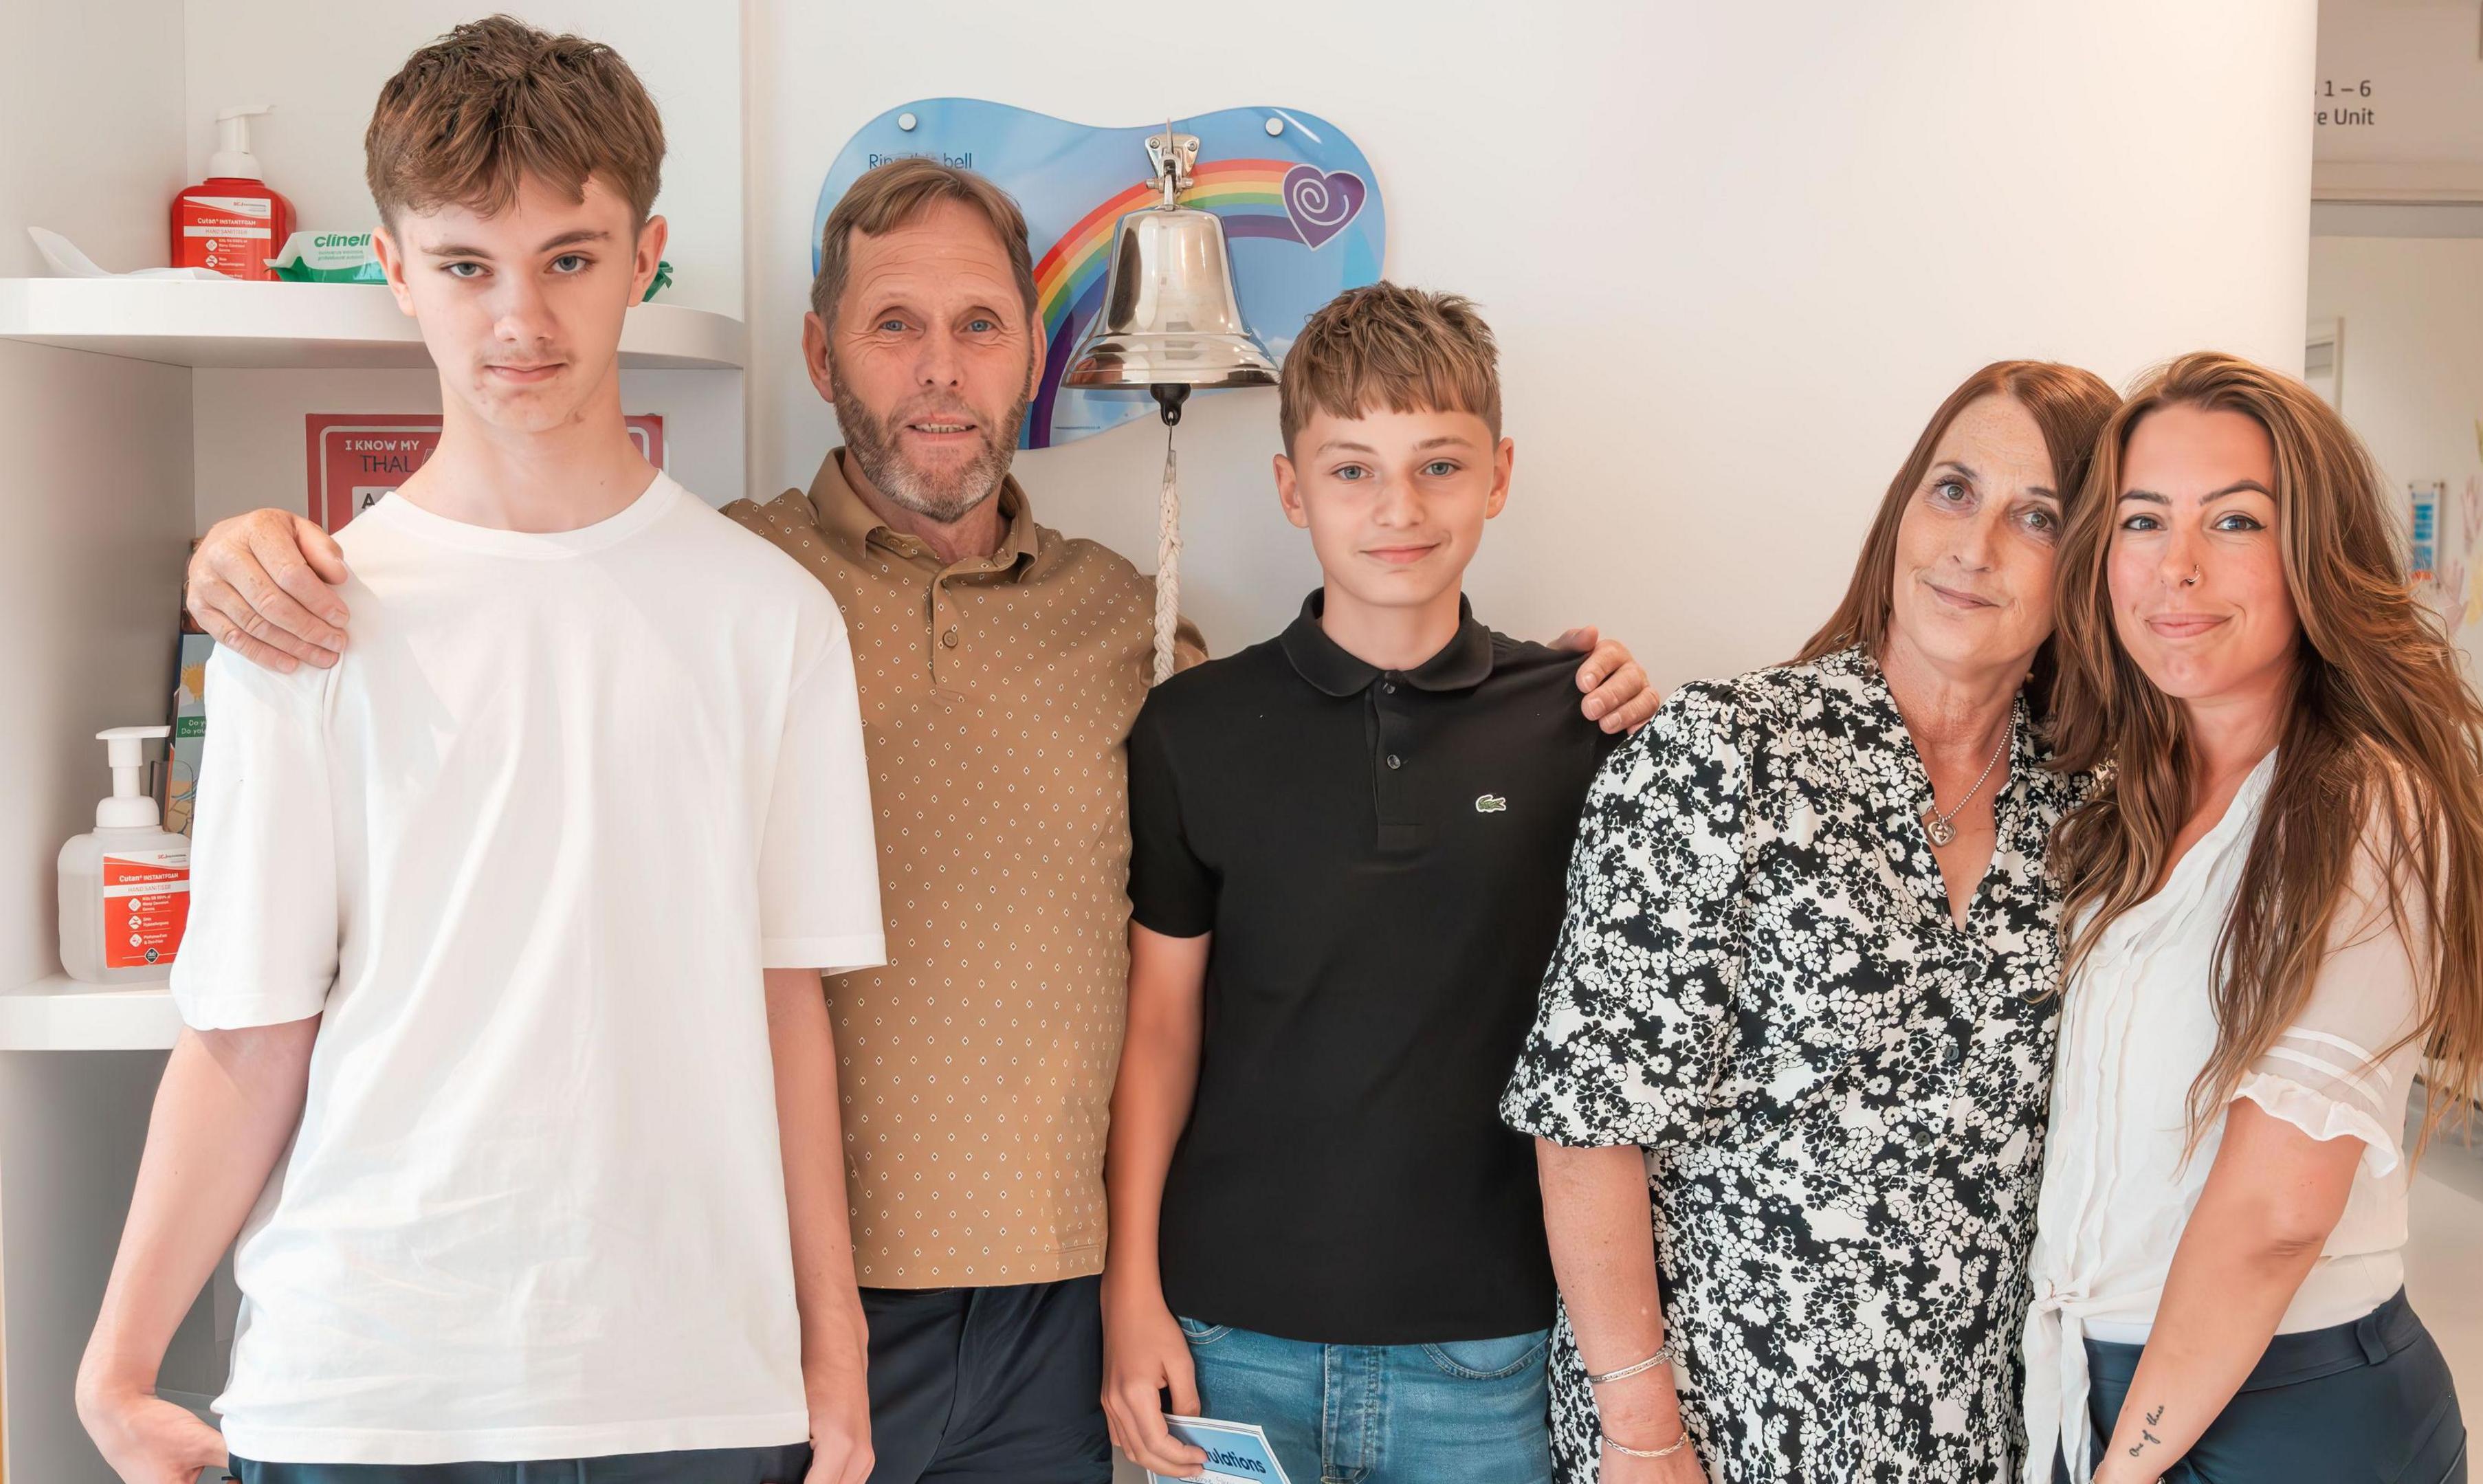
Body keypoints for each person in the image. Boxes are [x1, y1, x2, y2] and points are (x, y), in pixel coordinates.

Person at [179, 154, 1660, 1483]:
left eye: (978, 327)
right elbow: (512, 578)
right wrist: (243, 554)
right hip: (779, 1303)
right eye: (894, 326)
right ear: (822, 353)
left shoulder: (1136, 631)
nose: (940, 372)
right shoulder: (711, 586)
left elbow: (1260, 915)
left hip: (1065, 1309)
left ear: (1034, 357)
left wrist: (1561, 698)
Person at [74, 19, 883, 1484]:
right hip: (361, 1389)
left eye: (568, 258)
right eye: (465, 265)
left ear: (646, 256)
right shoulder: (300, 621)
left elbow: (788, 1013)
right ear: (393, 271)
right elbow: (247, 1031)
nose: (520, 319)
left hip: (693, 1391)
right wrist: (118, 1364)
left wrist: (832, 1363)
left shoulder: (772, 618)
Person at [1501, 361, 2120, 1483]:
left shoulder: (2090, 819)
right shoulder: (1723, 756)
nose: (1974, 547)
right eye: (1951, 491)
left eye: (2038, 516)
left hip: (1979, 1442)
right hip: (1712, 1432)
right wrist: (1642, 1435)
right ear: (1899, 513)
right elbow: (1588, 1120)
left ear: (2088, 568)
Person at [1101, 284, 1625, 1484]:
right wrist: (1132, 1293)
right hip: (1231, 1338)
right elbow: (1161, 1028)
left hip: (1488, 1347)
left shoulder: (1582, 720)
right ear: (1293, 490)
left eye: (1438, 466)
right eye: (1351, 471)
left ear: (1498, 475)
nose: (1398, 508)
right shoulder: (1193, 728)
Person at [2022, 351, 2483, 1484]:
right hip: (2107, 1388)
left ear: (2315, 558)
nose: (2176, 569)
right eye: (2144, 521)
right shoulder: (2122, 802)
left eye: (2235, 523)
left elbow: (2274, 1217)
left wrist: (2123, 1468)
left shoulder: (2365, 808)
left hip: (2281, 1410)